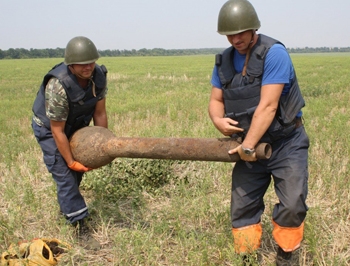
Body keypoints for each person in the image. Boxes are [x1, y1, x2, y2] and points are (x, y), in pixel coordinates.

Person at [208, 0, 309, 265]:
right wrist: (217, 119)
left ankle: (286, 255)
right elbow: (216, 100)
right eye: (230, 34)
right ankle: (247, 257)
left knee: (292, 203)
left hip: (286, 142)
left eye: (241, 33)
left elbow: (268, 106)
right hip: (249, 145)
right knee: (242, 206)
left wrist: (248, 147)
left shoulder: (274, 53)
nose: (236, 39)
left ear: (254, 28)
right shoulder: (224, 61)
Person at [31, 36, 108, 234]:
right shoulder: (58, 85)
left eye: (91, 62)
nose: (88, 67)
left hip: (75, 125)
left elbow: (99, 113)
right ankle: (80, 227)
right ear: (71, 65)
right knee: (65, 173)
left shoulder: (98, 76)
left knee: (76, 172)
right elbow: (57, 131)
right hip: (50, 130)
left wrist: (104, 145)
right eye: (82, 64)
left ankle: (68, 208)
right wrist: (70, 161)